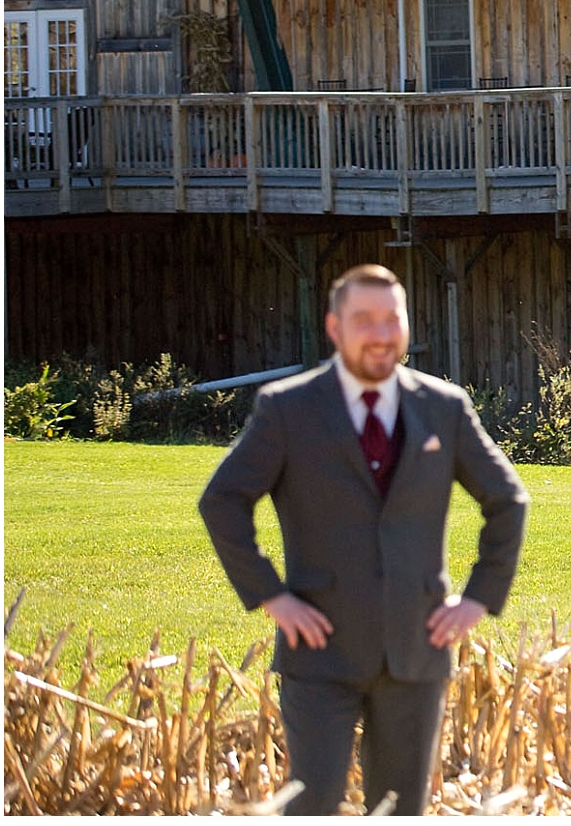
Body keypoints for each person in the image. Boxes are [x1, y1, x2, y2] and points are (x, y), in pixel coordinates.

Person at [199, 263, 528, 819]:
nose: (379, 333)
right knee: (312, 806)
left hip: (416, 649)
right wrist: (271, 595)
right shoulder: (287, 409)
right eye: (363, 320)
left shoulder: (444, 408)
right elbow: (222, 500)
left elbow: (507, 500)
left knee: (401, 810)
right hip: (318, 650)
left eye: (390, 319)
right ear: (334, 328)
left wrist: (477, 598)